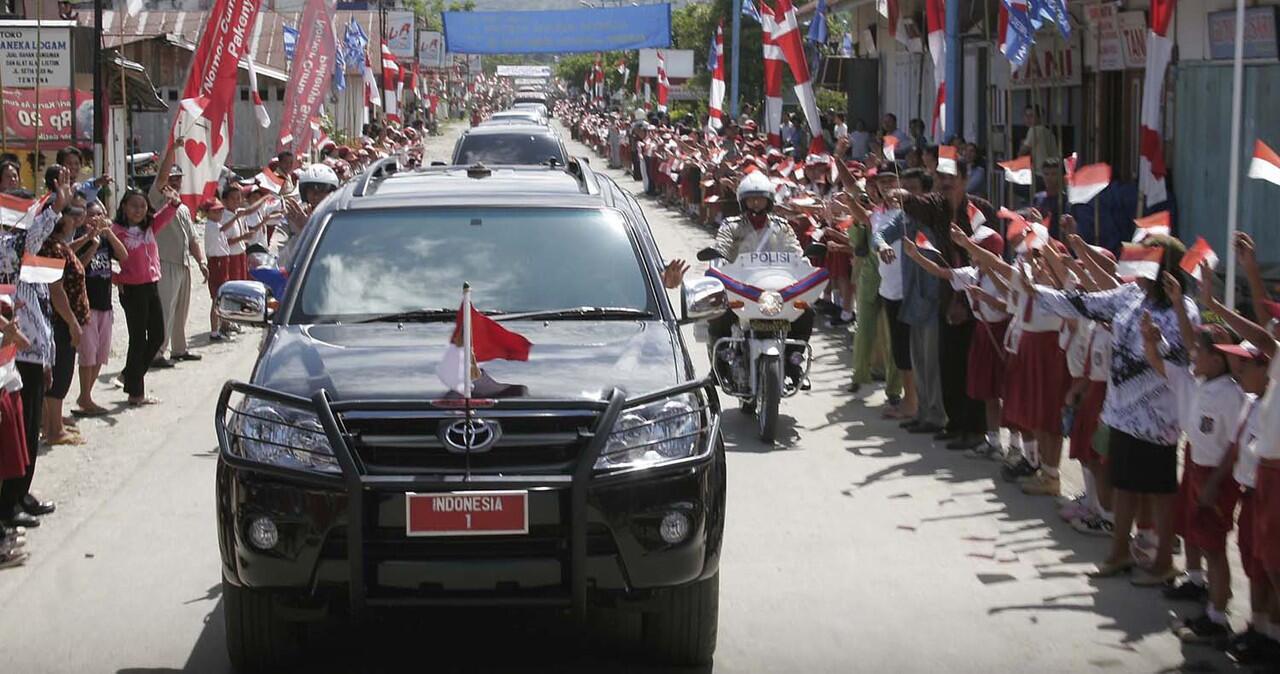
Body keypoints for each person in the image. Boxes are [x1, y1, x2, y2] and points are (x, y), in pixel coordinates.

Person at [1027, 235, 1195, 584]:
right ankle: (1119, 553)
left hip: (1157, 419)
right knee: (1124, 487)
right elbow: (1085, 303)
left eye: (1147, 257)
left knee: (1159, 492)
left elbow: (1185, 357)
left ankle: (1163, 561)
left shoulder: (1182, 309)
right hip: (1120, 413)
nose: (1138, 263)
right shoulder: (1130, 296)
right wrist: (1040, 293)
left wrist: (1157, 340)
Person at [0, 165, 73, 529]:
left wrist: (47, 357)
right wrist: (55, 207)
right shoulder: (8, 247)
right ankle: (9, 502)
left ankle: (22, 493)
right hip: (15, 353)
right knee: (18, 434)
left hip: (34, 352)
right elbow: (31, 236)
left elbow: (44, 306)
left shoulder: (30, 257)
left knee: (29, 430)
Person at [707, 171, 815, 389]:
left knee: (807, 311)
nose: (756, 203)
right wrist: (718, 260)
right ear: (743, 201)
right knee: (718, 311)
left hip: (775, 288)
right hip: (742, 288)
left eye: (760, 198)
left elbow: (796, 251)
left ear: (769, 200)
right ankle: (719, 365)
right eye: (751, 198)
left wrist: (805, 264)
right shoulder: (731, 225)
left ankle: (794, 361)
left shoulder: (781, 226)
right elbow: (722, 248)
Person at [112, 188, 179, 406]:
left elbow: (165, 216)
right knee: (138, 339)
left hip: (151, 285)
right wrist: (118, 278)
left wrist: (173, 203)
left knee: (158, 335)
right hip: (132, 289)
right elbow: (105, 261)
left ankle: (130, 375)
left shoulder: (148, 228)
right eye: (133, 205)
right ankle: (136, 393)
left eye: (142, 206)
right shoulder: (116, 231)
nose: (138, 210)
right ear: (124, 207)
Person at [150, 152, 207, 366]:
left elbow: (192, 238)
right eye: (171, 179)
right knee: (165, 309)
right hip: (165, 262)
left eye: (178, 179)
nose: (175, 182)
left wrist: (201, 262)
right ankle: (156, 352)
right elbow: (160, 179)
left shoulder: (182, 208)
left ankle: (179, 349)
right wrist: (173, 148)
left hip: (183, 263)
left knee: (181, 310)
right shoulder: (157, 201)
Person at [41, 205, 91, 446]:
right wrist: (72, 322)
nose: (77, 219)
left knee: (60, 372)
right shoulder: (53, 247)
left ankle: (53, 426)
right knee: (60, 373)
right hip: (61, 321)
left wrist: (87, 239)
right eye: (73, 216)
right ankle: (53, 431)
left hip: (64, 320)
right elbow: (55, 288)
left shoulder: (57, 246)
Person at [73, 200, 127, 416]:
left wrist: (109, 234)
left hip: (105, 304)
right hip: (86, 305)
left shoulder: (107, 240)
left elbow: (124, 257)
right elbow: (78, 267)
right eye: (93, 215)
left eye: (101, 214)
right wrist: (92, 243)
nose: (97, 219)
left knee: (101, 354)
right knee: (88, 354)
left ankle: (86, 395)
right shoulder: (81, 239)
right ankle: (85, 398)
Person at [1020, 105, 1060, 182]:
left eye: (1031, 116)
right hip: (1052, 174)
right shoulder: (1049, 132)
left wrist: (1022, 143)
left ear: (1039, 118)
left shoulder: (1034, 130)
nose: (1028, 119)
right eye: (1026, 115)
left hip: (1040, 174)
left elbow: (1022, 152)